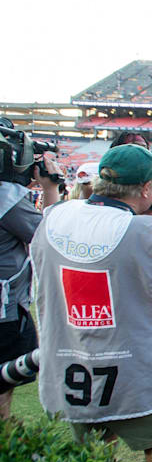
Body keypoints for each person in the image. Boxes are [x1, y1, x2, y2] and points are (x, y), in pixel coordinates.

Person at [32, 145, 152, 462]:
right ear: (146, 189)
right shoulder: (146, 231)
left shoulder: (55, 216)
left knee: (94, 452)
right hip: (141, 359)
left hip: (74, 359)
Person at [0, 148, 61, 419]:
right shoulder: (6, 199)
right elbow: (50, 237)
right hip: (4, 309)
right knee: (3, 381)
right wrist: (50, 188)